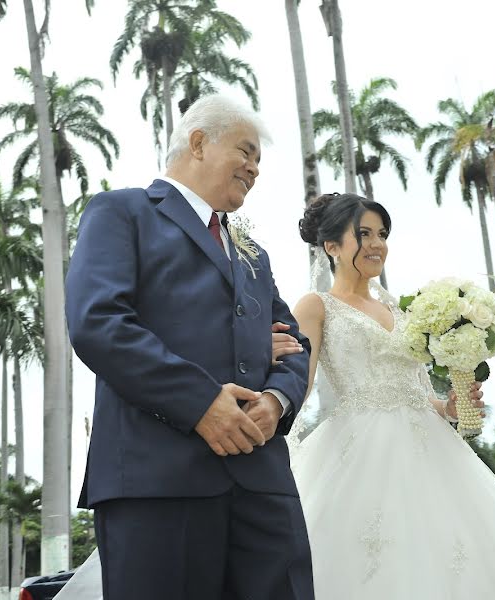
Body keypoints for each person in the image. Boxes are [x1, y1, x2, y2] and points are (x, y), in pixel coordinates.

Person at [63, 94, 313, 600]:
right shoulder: (123, 211)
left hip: (262, 482)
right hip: (158, 481)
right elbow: (99, 322)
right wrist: (201, 403)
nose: (254, 169)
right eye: (246, 152)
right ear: (199, 142)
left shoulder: (254, 253)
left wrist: (276, 400)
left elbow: (295, 343)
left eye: (259, 160)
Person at [287, 192, 495, 598]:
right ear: (331, 246)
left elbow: (421, 391)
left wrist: (450, 406)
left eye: (383, 234)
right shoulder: (315, 306)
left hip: (430, 446)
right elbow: (296, 387)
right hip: (357, 452)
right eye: (365, 234)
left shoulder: (401, 309)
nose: (377, 244)